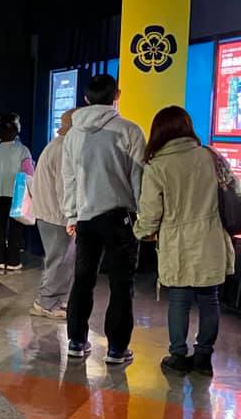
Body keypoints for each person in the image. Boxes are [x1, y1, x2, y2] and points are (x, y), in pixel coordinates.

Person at [134, 107, 233, 376]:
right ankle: (204, 358)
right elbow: (232, 190)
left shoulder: (157, 166)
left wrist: (141, 232)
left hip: (177, 242)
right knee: (209, 299)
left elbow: (151, 212)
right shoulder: (210, 156)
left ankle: (178, 356)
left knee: (179, 300)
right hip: (210, 238)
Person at [62, 74, 145, 364]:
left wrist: (71, 214)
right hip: (120, 217)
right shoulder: (130, 130)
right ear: (116, 95)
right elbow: (138, 177)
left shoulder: (73, 135)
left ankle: (76, 341)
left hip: (85, 218)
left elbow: (69, 179)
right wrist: (143, 216)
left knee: (83, 280)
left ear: (86, 98)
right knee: (121, 284)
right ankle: (116, 349)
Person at [30, 109, 76, 318]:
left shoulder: (57, 145)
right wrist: (71, 215)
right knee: (59, 260)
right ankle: (47, 302)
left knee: (60, 259)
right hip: (56, 216)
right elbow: (64, 187)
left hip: (51, 213)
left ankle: (53, 300)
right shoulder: (64, 148)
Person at [0, 121, 34, 271]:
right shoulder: (23, 150)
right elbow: (29, 173)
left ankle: (0, 260)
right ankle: (13, 261)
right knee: (15, 229)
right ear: (16, 133)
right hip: (16, 194)